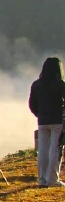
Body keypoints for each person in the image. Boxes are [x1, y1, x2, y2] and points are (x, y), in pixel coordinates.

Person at [29, 57, 65, 187]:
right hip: (58, 122)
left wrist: (39, 114)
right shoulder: (61, 84)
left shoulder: (36, 84)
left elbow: (32, 104)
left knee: (43, 151)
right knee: (56, 150)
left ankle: (42, 180)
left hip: (42, 121)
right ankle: (53, 180)